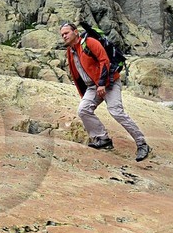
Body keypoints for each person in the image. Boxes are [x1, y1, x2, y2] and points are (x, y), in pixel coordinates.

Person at [60, 21, 151, 162]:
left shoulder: (89, 42)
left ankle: (142, 144)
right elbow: (77, 74)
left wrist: (102, 84)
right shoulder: (70, 51)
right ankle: (102, 139)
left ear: (75, 32)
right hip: (92, 86)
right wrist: (87, 92)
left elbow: (105, 61)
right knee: (83, 110)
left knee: (116, 111)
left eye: (66, 33)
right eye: (62, 35)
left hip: (110, 83)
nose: (64, 36)